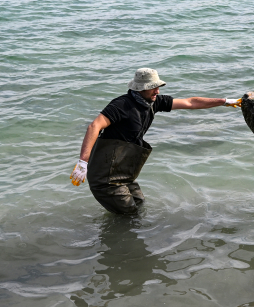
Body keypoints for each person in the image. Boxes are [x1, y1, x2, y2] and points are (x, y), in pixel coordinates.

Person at [71, 68, 241, 215]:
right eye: (152, 88)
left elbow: (190, 102)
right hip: (105, 178)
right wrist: (82, 162)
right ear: (139, 89)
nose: (157, 91)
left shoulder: (153, 102)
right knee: (130, 216)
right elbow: (94, 126)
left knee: (140, 205)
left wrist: (224, 101)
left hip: (124, 174)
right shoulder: (121, 105)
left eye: (157, 87)